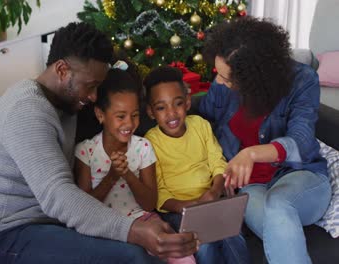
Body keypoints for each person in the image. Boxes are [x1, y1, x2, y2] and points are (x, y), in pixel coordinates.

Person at [0, 22, 198, 264]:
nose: (93, 96)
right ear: (61, 70)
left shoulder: (67, 103)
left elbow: (118, 115)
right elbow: (59, 196)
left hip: (50, 225)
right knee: (132, 256)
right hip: (8, 235)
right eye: (90, 86)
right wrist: (134, 231)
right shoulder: (25, 111)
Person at [199, 17, 332, 264]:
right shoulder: (222, 84)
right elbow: (203, 123)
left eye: (229, 78)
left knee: (278, 205)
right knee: (277, 222)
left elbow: (301, 140)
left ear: (254, 75)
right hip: (251, 189)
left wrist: (252, 154)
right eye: (219, 74)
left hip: (301, 176)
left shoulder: (302, 80)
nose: (221, 83)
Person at [74, 63, 196, 264]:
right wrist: (112, 176)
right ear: (100, 114)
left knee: (183, 256)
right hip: (104, 227)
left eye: (135, 115)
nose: (129, 124)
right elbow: (84, 208)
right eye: (120, 116)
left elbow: (149, 203)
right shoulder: (85, 151)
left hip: (144, 219)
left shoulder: (143, 147)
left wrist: (128, 175)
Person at [143, 66, 249, 264]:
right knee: (203, 244)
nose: (171, 113)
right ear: (150, 112)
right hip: (178, 211)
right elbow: (160, 194)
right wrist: (187, 207)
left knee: (233, 236)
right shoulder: (150, 143)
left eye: (178, 104)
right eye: (161, 108)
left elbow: (218, 162)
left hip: (212, 201)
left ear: (188, 102)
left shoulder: (200, 125)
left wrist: (215, 190)